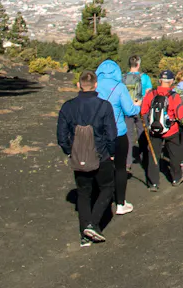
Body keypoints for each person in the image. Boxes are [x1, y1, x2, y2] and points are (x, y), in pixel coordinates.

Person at [56, 70, 116, 247]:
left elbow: (61, 135)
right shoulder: (104, 106)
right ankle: (93, 224)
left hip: (79, 156)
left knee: (83, 193)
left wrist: (70, 151)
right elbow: (111, 134)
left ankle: (85, 235)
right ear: (96, 85)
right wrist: (111, 152)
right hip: (101, 155)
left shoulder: (68, 106)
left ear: (78, 85)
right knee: (107, 188)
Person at [94, 58, 139, 216]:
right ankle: (120, 203)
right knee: (120, 168)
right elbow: (129, 110)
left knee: (98, 167)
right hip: (118, 132)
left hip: (97, 134)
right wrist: (137, 105)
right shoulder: (119, 87)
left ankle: (100, 201)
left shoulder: (95, 85)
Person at [139, 70, 183, 190]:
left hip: (154, 130)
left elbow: (143, 111)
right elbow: (179, 115)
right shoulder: (174, 96)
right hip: (171, 130)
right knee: (174, 154)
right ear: (171, 81)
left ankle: (153, 183)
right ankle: (176, 178)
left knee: (153, 155)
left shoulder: (151, 94)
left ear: (160, 80)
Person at [122, 56, 153, 172]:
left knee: (128, 135)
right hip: (141, 109)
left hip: (127, 109)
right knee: (143, 133)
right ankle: (145, 159)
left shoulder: (123, 77)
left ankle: (127, 162)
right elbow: (148, 93)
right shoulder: (145, 78)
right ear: (138, 64)